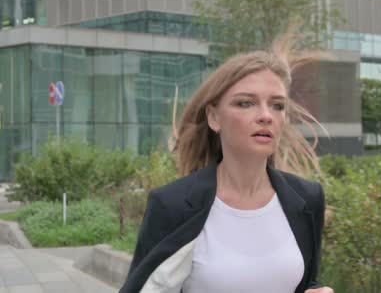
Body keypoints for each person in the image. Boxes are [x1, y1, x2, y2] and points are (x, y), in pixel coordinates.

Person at [119, 31, 334, 293]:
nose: (266, 115)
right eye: (246, 103)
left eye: (277, 105)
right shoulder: (171, 205)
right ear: (214, 118)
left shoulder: (307, 198)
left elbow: (304, 281)